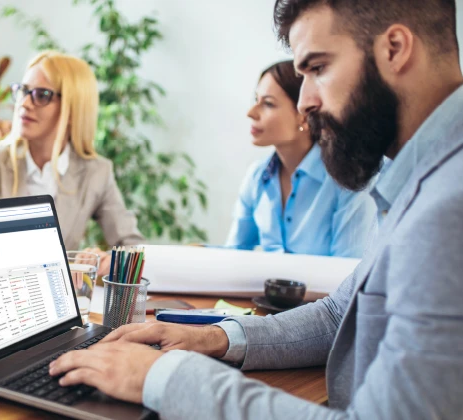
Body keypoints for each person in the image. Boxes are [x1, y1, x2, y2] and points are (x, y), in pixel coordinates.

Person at [49, 0, 463, 418]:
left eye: (317, 68)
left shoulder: (448, 207)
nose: (305, 103)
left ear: (395, 49)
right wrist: (215, 337)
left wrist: (162, 377)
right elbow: (341, 312)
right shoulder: (421, 178)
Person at [0, 51, 144, 260]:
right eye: (24, 91)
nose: (25, 103)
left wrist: (107, 260)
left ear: (73, 109)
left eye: (41, 95)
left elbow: (133, 248)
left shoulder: (96, 172)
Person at [225, 60, 375, 257]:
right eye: (256, 100)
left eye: (268, 103)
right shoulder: (257, 176)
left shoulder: (350, 181)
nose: (251, 113)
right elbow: (233, 254)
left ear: (303, 115)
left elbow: (348, 273)